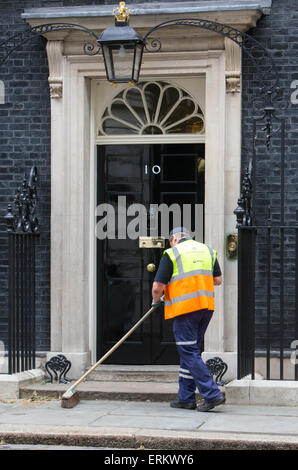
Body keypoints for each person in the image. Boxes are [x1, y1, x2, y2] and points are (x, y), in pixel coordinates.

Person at [151, 227, 225, 412]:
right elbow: (218, 280)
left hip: (185, 310)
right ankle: (185, 398)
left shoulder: (172, 253)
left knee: (188, 351)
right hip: (205, 308)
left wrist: (156, 301)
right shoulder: (207, 250)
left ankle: (212, 393)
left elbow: (157, 286)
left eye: (171, 241)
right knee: (190, 351)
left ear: (174, 239)